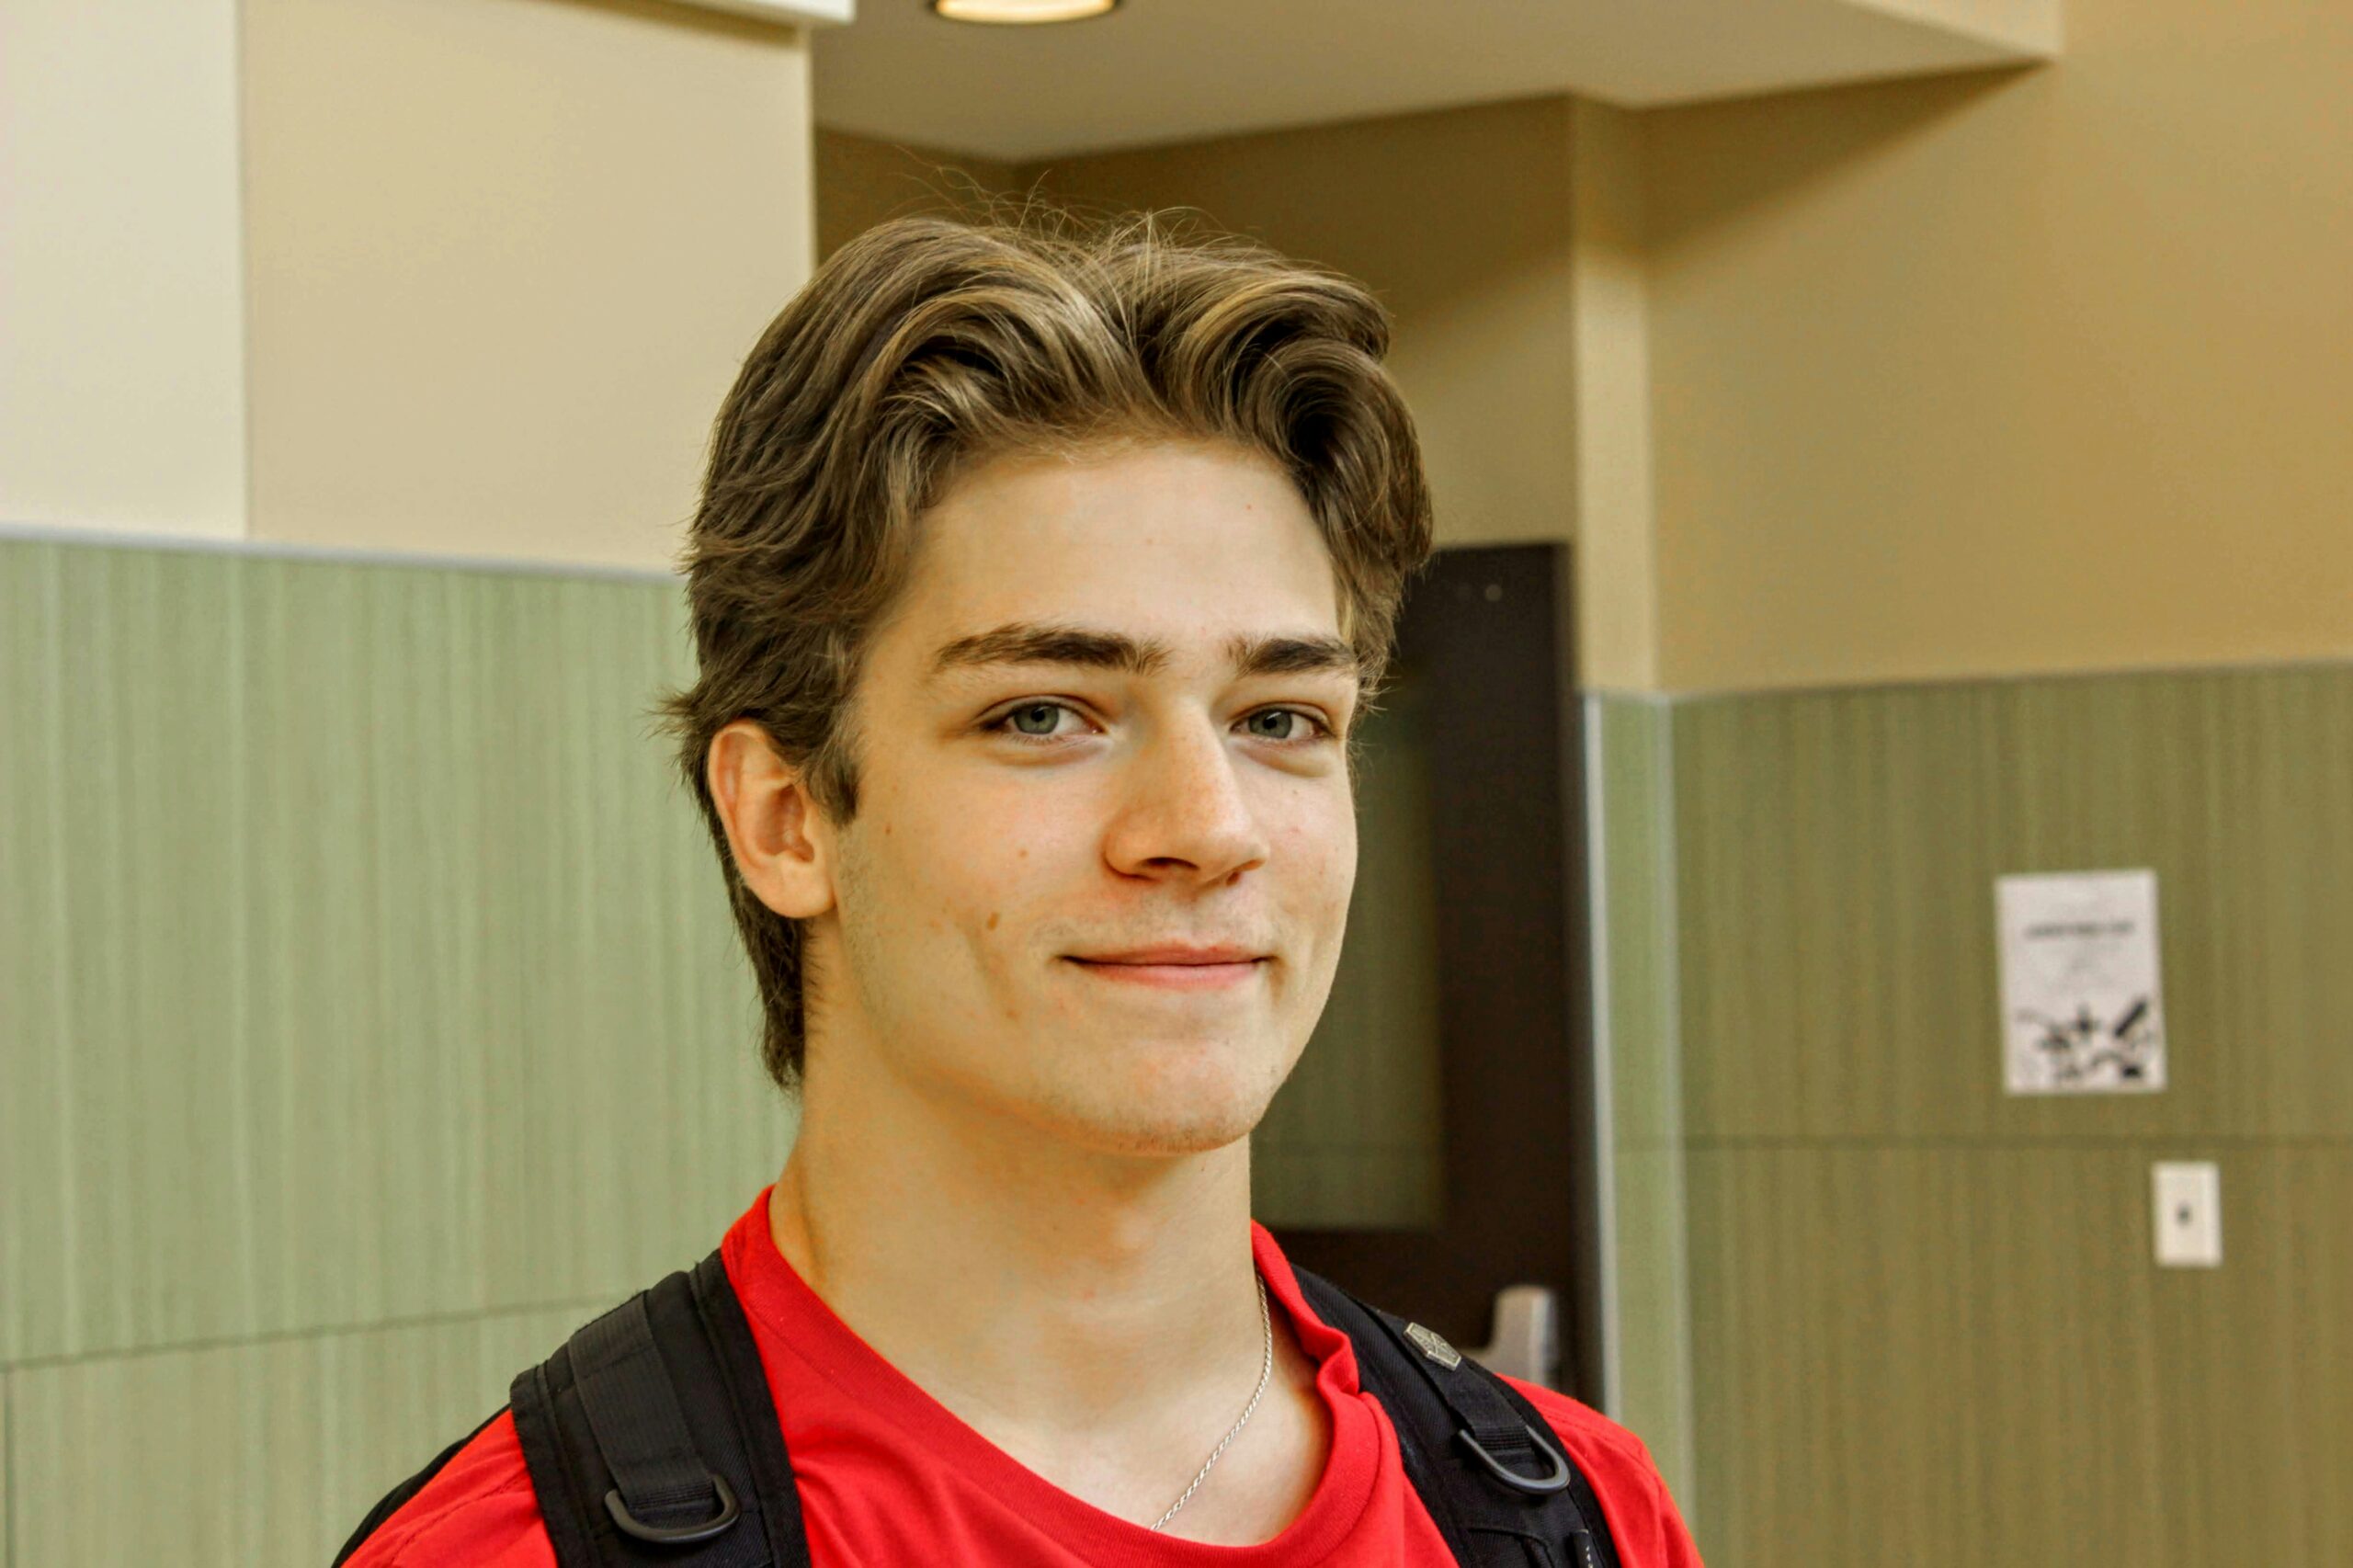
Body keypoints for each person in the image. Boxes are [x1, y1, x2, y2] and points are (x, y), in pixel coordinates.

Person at [336, 210, 1702, 1566]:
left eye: (1280, 715)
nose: (1207, 828)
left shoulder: (1574, 1514)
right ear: (785, 816)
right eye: (1045, 713)